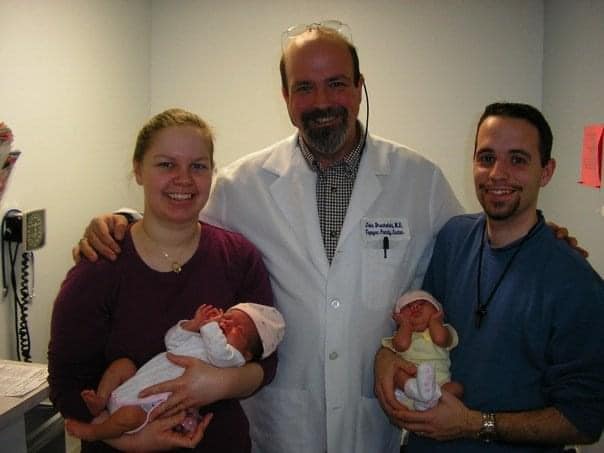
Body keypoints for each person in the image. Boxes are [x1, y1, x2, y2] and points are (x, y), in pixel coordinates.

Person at [73, 26, 585, 453]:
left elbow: (473, 246)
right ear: (285, 96)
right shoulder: (242, 183)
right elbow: (180, 220)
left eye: (336, 83)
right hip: (279, 422)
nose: (321, 102)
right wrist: (118, 219)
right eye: (304, 87)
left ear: (360, 87)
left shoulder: (417, 179)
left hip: (376, 418)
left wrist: (540, 238)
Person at [374, 102, 604, 452]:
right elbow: (419, 328)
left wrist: (475, 425)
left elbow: (584, 421)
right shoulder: (453, 239)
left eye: (518, 160)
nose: (498, 173)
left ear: (546, 171)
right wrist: (387, 356)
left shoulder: (575, 283)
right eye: (486, 158)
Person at [48, 108, 278, 453]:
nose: (183, 179)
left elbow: (267, 362)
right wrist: (127, 439)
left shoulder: (238, 257)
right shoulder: (100, 267)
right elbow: (66, 387)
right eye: (166, 164)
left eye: (198, 166)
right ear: (138, 169)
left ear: (212, 173)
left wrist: (218, 383)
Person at [65, 302, 285, 442]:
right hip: (133, 383)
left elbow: (219, 351)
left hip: (144, 407)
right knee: (123, 365)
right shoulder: (200, 339)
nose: (227, 324)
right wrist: (193, 325)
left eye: (239, 329)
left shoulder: (231, 360)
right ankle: (101, 399)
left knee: (128, 417)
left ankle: (96, 432)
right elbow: (172, 341)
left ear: (247, 355)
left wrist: (209, 327)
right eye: (228, 317)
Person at [382, 290, 461, 411]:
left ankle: (429, 401)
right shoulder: (402, 335)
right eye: (407, 306)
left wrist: (435, 321)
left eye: (423, 303)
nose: (415, 307)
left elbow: (440, 339)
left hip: (440, 385)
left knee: (457, 388)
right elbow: (402, 345)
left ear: (437, 311)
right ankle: (418, 394)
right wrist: (405, 325)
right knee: (398, 376)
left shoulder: (443, 330)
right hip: (409, 384)